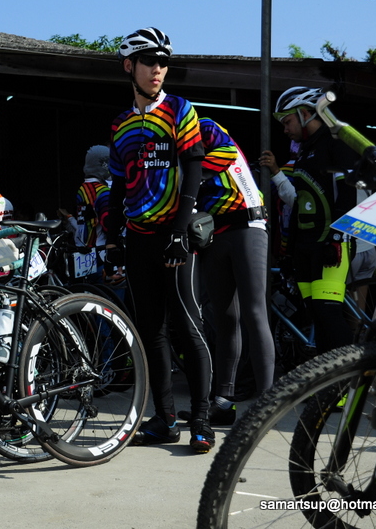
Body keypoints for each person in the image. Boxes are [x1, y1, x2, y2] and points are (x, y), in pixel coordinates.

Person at [106, 27, 214, 453]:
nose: (158, 69)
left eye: (164, 62)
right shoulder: (120, 124)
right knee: (150, 331)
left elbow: (194, 170)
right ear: (129, 65)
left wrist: (179, 231)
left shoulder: (179, 109)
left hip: (175, 236)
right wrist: (111, 238)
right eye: (149, 60)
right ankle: (164, 420)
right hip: (138, 238)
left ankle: (201, 420)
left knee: (188, 327)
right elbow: (119, 185)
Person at [180, 117, 275, 425]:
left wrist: (186, 180)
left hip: (247, 225)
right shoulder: (168, 147)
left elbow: (226, 153)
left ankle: (268, 404)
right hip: (214, 233)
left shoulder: (203, 125)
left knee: (254, 313)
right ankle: (223, 402)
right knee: (223, 319)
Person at [259, 86, 358, 354]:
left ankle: (350, 377)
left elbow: (347, 194)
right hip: (305, 246)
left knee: (328, 313)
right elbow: (302, 202)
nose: (284, 129)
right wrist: (290, 251)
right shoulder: (304, 151)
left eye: (287, 121)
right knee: (315, 314)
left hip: (331, 241)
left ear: (305, 114)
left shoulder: (336, 141)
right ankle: (329, 378)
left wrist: (337, 237)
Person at [73, 145, 111, 280]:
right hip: (99, 253)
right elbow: (108, 225)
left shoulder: (82, 189)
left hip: (83, 252)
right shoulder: (103, 192)